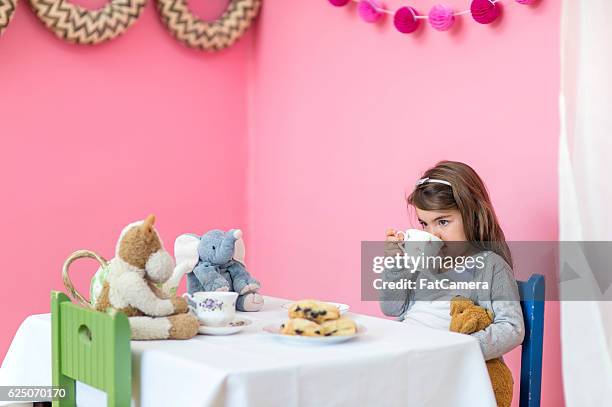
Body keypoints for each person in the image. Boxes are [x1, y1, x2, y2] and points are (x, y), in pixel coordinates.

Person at [380, 160, 525, 363]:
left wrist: (459, 348)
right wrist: (396, 263)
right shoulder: (424, 260)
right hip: (407, 354)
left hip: (446, 365)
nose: (433, 234)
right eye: (424, 224)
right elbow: (393, 308)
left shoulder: (490, 266)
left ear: (472, 216)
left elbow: (512, 327)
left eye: (443, 222)